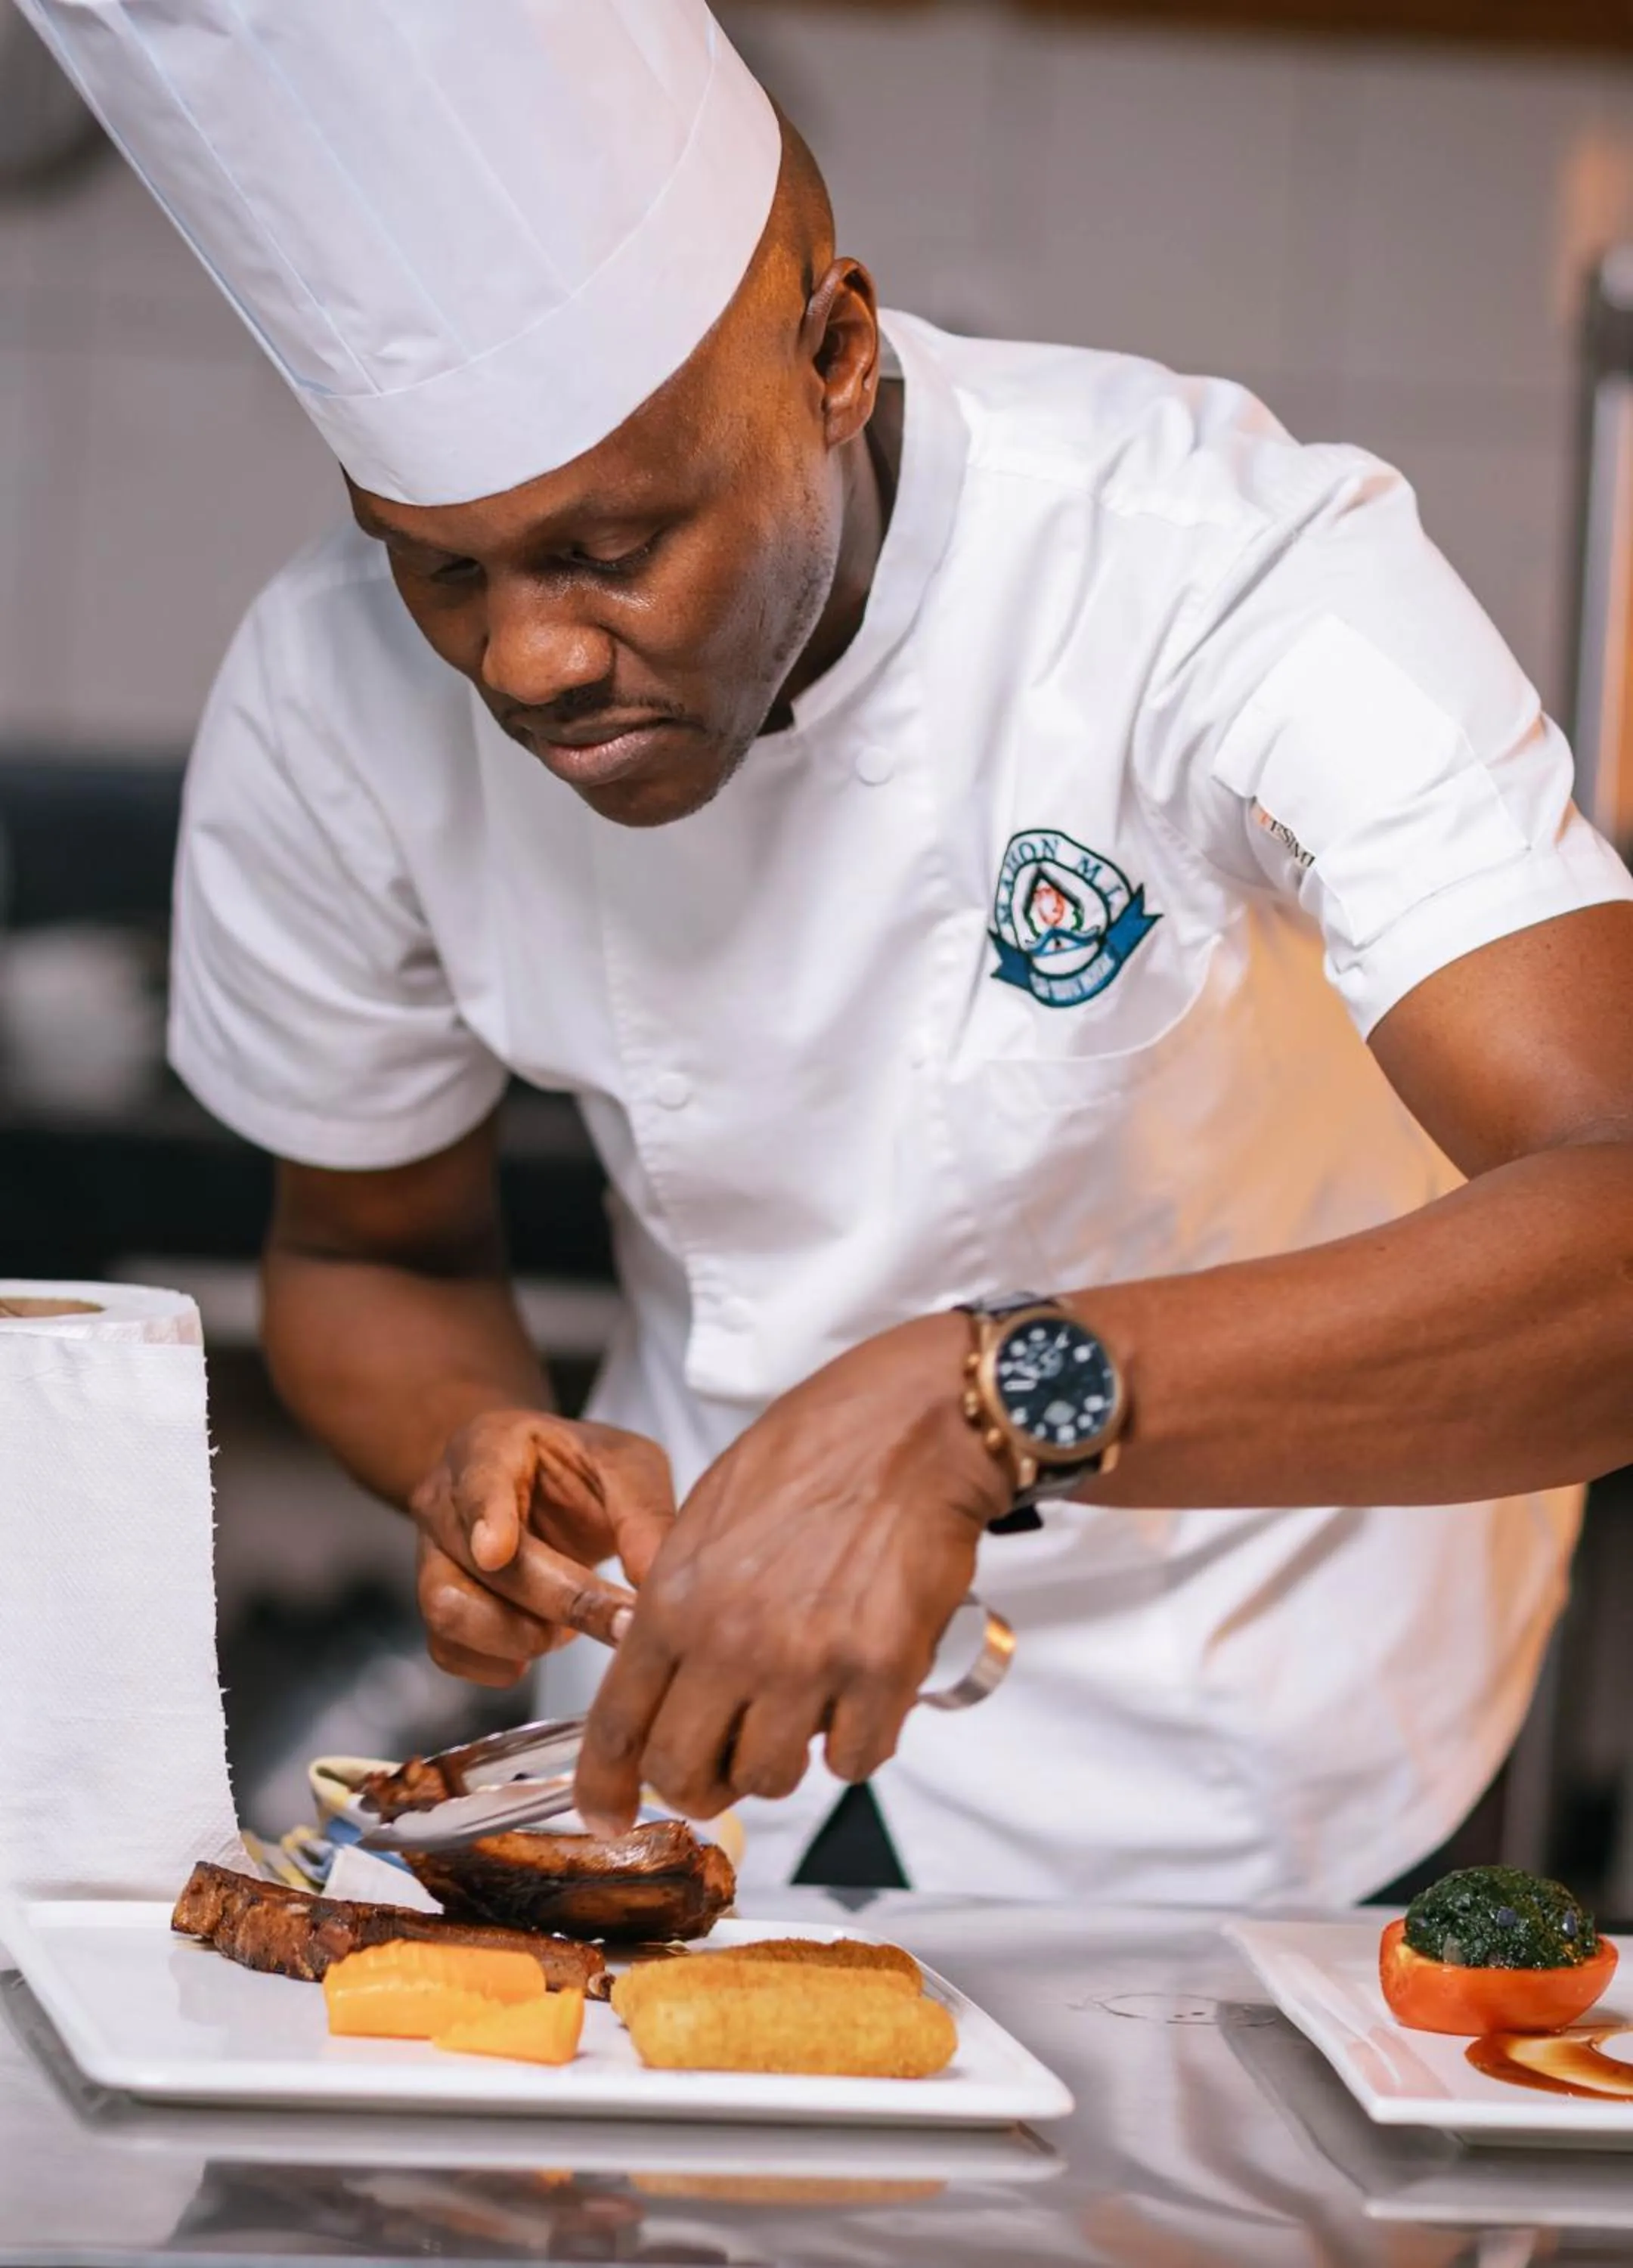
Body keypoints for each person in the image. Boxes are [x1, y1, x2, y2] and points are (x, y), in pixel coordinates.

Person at [26, 0, 1633, 1908]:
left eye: (613, 547)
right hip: (686, 1729)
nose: (528, 658)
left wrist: (973, 1408)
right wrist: (482, 1450)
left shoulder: (1222, 569)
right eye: (443, 565)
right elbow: (370, 1251)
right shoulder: (329, 694)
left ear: (839, 354)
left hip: (1259, 1761)